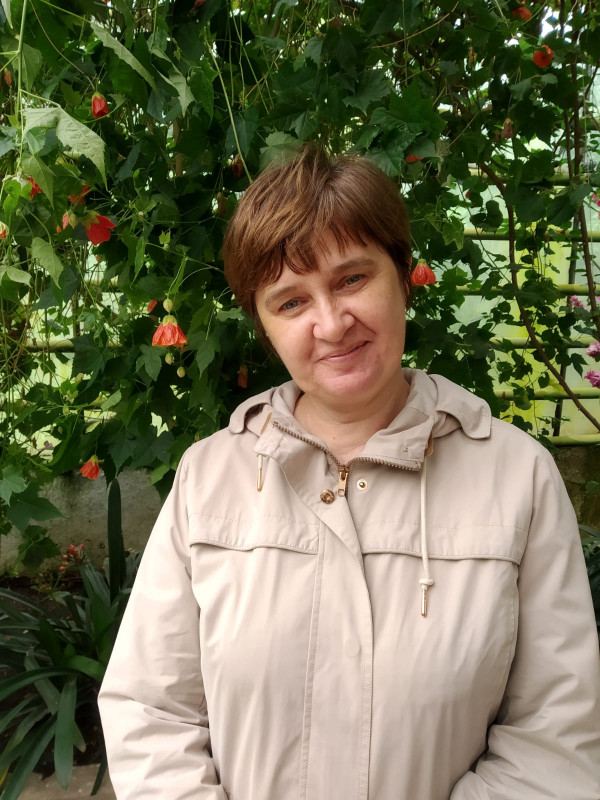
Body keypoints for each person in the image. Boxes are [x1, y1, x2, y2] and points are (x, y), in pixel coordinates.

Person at [98, 145, 600, 800]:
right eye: (290, 302)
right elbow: (150, 713)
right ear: (264, 327)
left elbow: (556, 735)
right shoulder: (208, 479)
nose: (331, 324)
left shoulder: (517, 478)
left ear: (402, 276)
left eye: (352, 279)